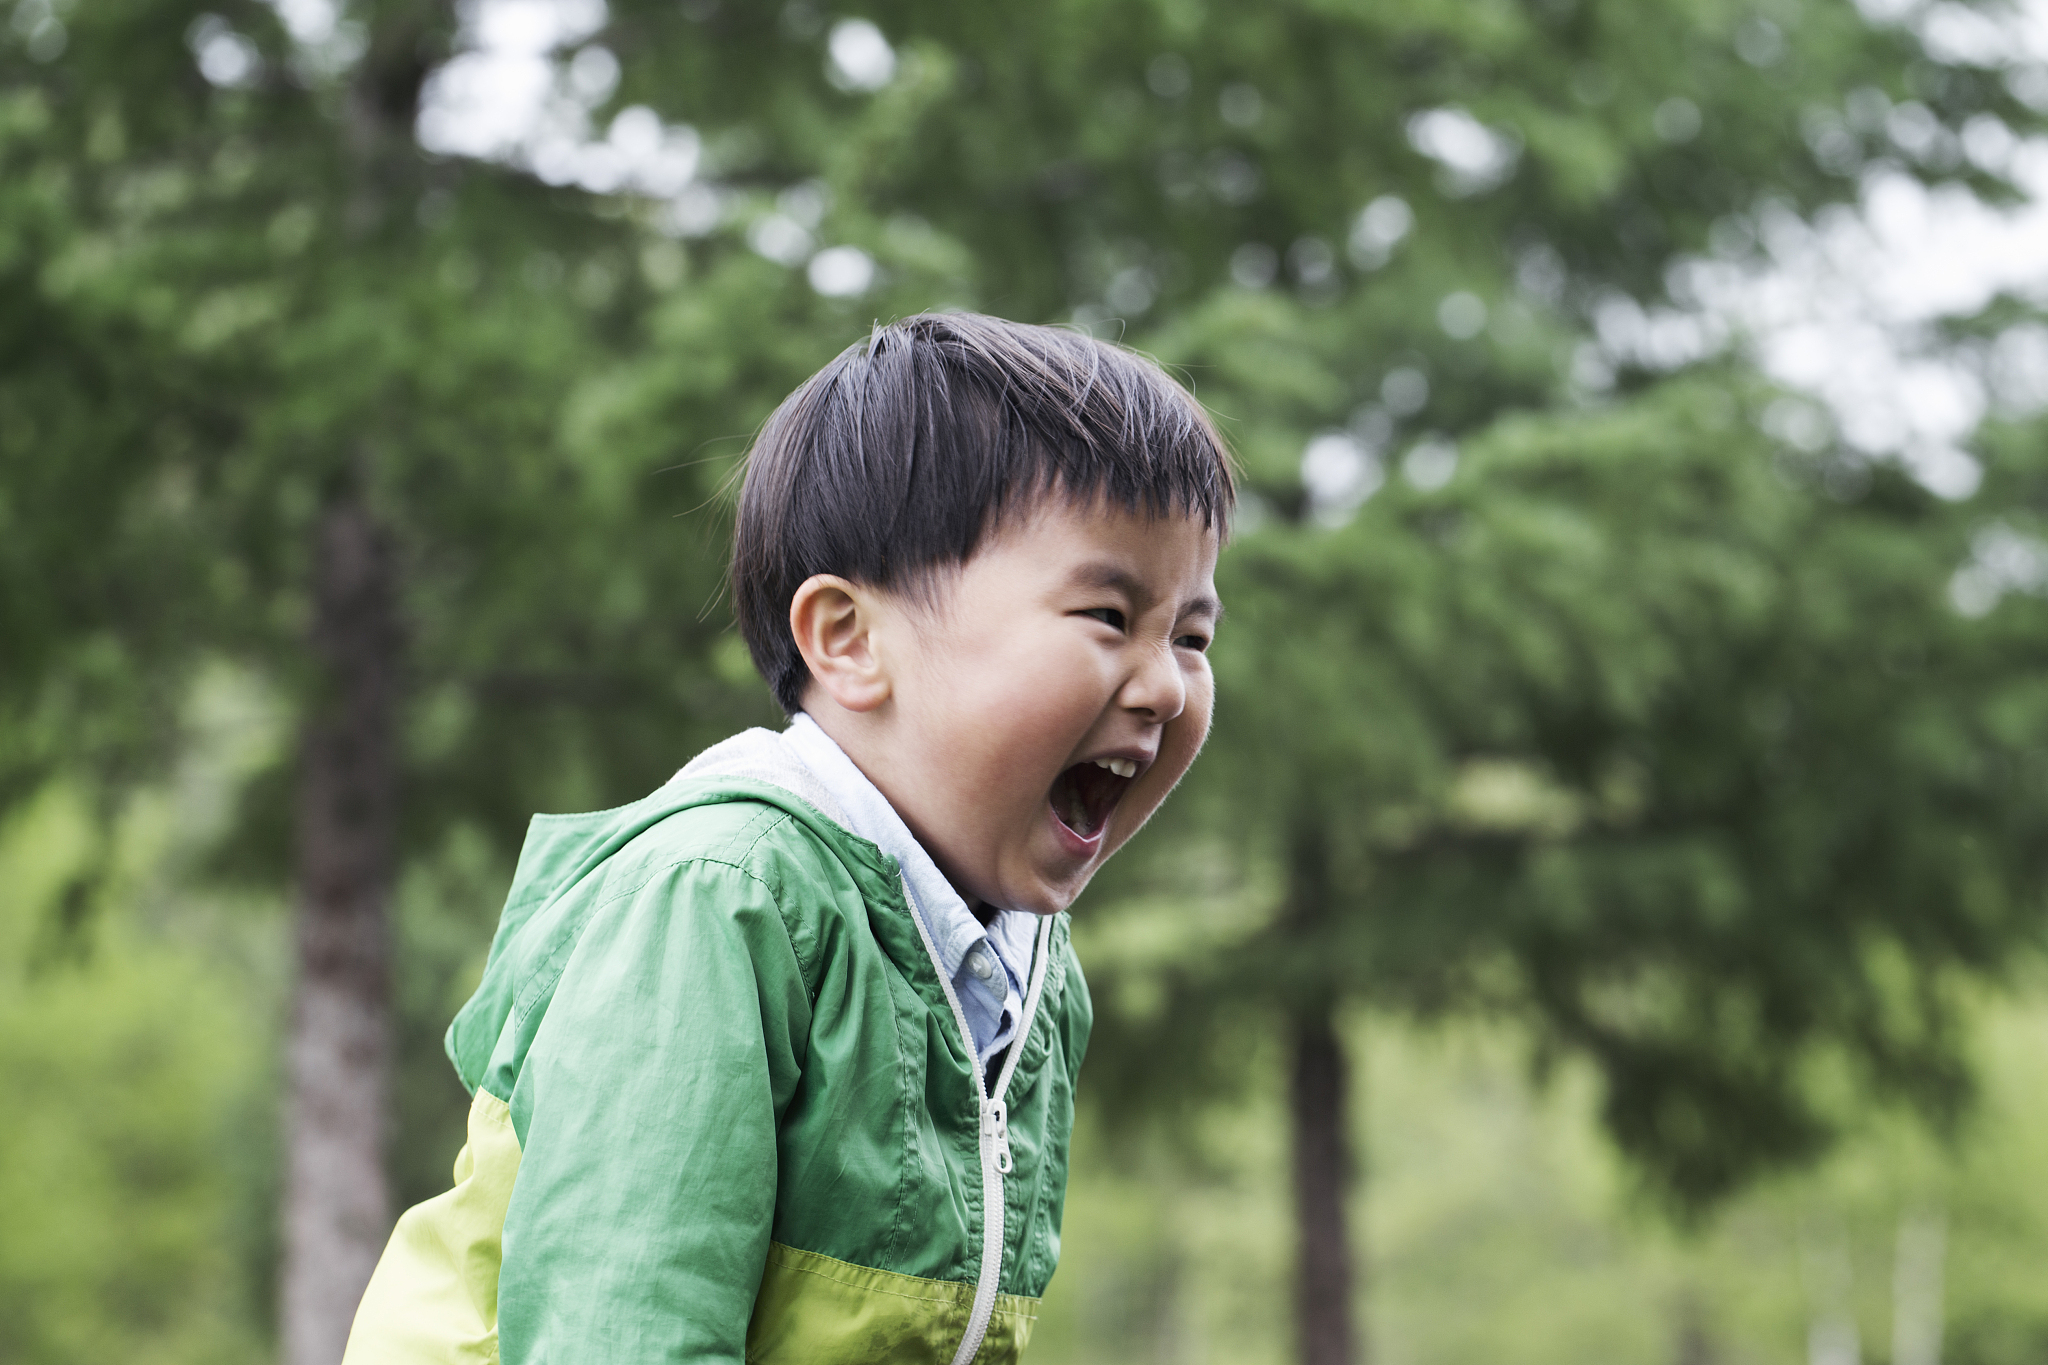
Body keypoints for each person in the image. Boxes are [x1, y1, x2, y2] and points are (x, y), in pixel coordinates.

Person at [342, 312, 1234, 1364]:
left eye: (1189, 635)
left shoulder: (1024, 976)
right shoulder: (720, 898)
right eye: (1106, 616)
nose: (1165, 683)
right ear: (851, 641)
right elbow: (623, 1328)